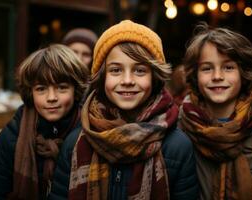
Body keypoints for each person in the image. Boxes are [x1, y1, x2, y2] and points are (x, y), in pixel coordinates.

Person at [49, 20, 198, 200]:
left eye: (140, 70)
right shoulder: (75, 143)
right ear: (102, 78)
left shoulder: (177, 147)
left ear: (155, 77)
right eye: (116, 70)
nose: (127, 80)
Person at [179, 22, 252, 200]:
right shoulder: (180, 128)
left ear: (243, 72)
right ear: (195, 75)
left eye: (228, 67)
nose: (217, 76)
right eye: (207, 68)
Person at [0, 44, 89, 199]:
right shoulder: (12, 135)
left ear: (75, 90)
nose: (51, 98)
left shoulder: (88, 135)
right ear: (31, 92)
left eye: (62, 88)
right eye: (41, 89)